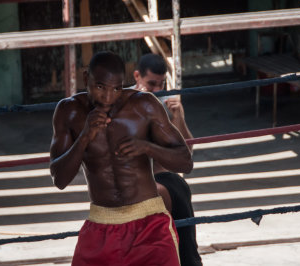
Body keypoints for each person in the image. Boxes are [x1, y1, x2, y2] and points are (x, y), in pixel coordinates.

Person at [49, 51, 193, 266]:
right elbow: (59, 179)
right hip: (101, 221)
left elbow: (185, 162)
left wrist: (147, 147)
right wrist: (85, 136)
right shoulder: (69, 111)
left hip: (149, 221)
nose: (108, 97)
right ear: (86, 78)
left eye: (116, 88)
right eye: (100, 87)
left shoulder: (144, 105)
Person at [132, 53, 203, 266]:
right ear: (137, 76)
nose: (156, 90)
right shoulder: (124, 105)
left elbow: (187, 152)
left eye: (160, 84)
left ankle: (190, 260)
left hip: (165, 177)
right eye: (151, 84)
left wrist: (178, 117)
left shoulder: (166, 103)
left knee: (178, 186)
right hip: (135, 180)